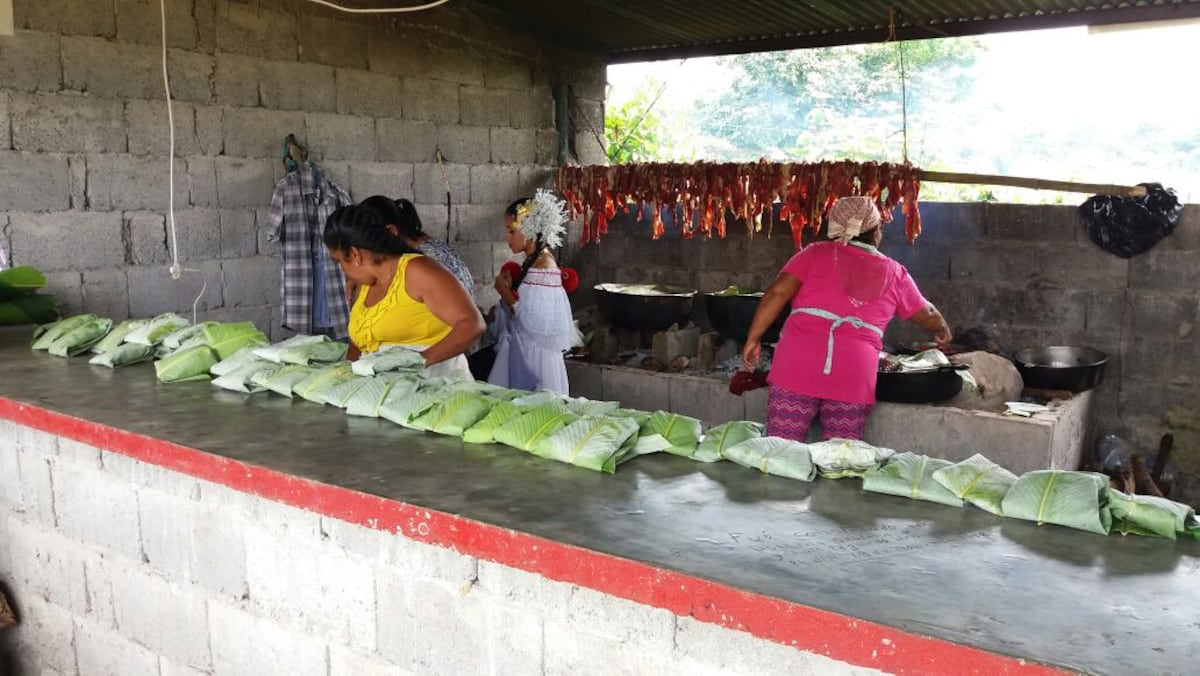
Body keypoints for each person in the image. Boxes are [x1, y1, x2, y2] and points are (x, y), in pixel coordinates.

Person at [742, 196, 953, 442]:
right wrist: (942, 329)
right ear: (876, 231)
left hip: (797, 365)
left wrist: (753, 338)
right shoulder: (895, 272)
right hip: (853, 374)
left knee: (780, 450)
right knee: (840, 458)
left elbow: (777, 293)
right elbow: (926, 313)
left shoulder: (814, 254)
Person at [324, 197, 484, 376]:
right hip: (385, 392)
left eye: (339, 261)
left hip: (434, 385)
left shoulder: (417, 270)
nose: (342, 270)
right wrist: (346, 374)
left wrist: (420, 360)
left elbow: (472, 324)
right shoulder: (364, 285)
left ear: (355, 255)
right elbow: (358, 344)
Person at [487, 190, 579, 395]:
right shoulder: (533, 262)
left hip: (537, 361)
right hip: (528, 351)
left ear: (529, 230)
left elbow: (533, 322)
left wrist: (504, 292)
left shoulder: (544, 266)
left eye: (511, 231)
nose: (506, 237)